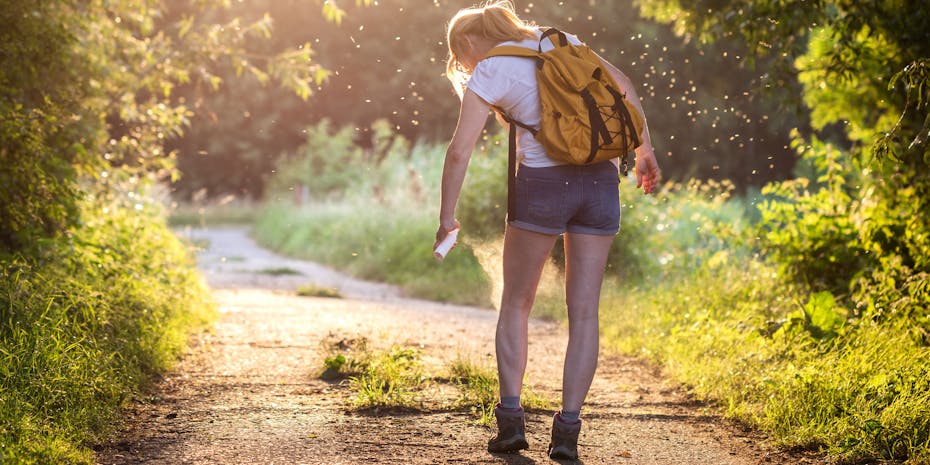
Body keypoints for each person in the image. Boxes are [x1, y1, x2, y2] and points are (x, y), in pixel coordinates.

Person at [435, 1, 660, 460]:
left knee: (516, 303)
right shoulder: (562, 41)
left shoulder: (492, 68)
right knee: (585, 313)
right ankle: (567, 434)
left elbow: (459, 151)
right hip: (600, 183)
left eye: (461, 56)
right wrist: (644, 152)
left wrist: (446, 217)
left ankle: (511, 425)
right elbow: (624, 84)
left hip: (542, 185)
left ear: (470, 42)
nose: (464, 65)